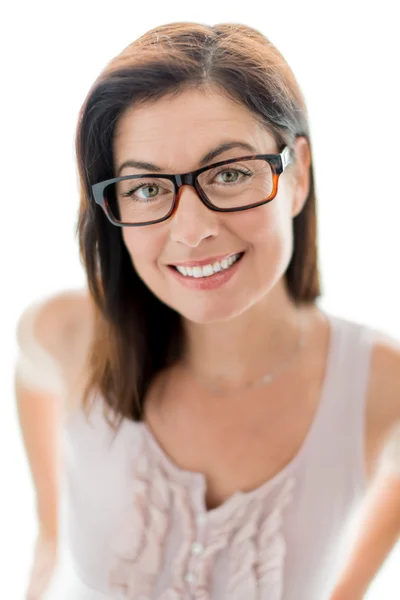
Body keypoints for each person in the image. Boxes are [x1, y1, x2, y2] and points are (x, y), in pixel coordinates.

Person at [14, 21, 400, 600]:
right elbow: (31, 378)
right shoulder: (63, 334)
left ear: (297, 176)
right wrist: (46, 541)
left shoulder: (382, 388)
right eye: (146, 189)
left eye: (230, 173)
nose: (192, 231)